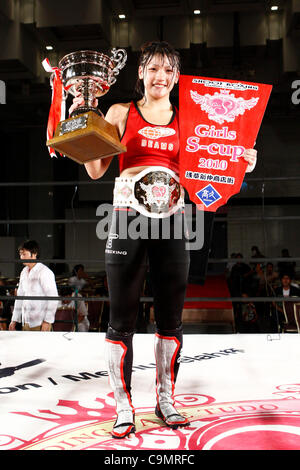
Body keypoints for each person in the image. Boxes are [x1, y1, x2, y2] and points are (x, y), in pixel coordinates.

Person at [70, 41, 258, 439]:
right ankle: (123, 406)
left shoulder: (189, 117)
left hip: (173, 222)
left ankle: (165, 399)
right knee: (121, 320)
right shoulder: (121, 112)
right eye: (154, 69)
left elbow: (214, 164)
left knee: (172, 320)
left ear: (176, 76)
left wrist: (242, 159)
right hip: (127, 221)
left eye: (169, 70)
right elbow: (94, 171)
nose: (161, 77)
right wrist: (84, 128)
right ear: (140, 73)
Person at [9, 240, 59, 331]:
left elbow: (53, 298)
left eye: (24, 254)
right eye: (20, 254)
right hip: (26, 322)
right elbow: (19, 297)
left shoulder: (44, 272)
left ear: (34, 254)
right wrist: (14, 320)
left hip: (40, 322)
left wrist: (47, 321)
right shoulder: (24, 272)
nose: (21, 257)